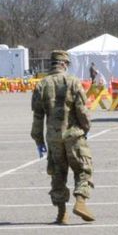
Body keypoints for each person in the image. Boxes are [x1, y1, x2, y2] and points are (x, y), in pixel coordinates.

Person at [31, 49, 95, 224]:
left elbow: (37, 117)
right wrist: (86, 128)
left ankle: (62, 213)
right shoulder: (73, 82)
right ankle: (80, 202)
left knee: (58, 175)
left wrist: (38, 140)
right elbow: (82, 111)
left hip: (53, 137)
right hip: (74, 135)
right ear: (64, 64)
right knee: (83, 170)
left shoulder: (41, 85)